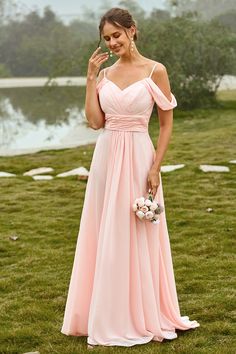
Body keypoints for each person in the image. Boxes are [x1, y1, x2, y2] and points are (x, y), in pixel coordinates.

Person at [60, 7, 200, 349]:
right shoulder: (105, 75)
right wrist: (91, 78)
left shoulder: (156, 71)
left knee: (136, 231)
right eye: (106, 38)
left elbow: (166, 124)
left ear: (132, 31)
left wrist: (156, 166)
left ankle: (141, 310)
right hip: (107, 155)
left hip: (139, 155)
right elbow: (95, 122)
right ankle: (105, 313)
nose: (112, 42)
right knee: (104, 230)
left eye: (116, 35)